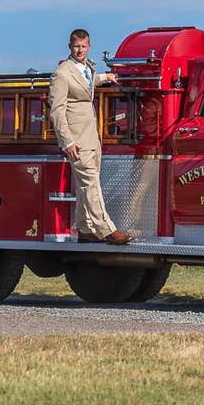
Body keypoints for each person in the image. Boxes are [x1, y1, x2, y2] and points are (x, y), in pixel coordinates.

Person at [49, 29, 132, 245]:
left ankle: (85, 229)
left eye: (84, 46)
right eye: (76, 46)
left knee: (86, 184)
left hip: (91, 137)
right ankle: (107, 230)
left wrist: (106, 77)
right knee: (91, 183)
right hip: (76, 139)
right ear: (70, 46)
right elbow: (56, 111)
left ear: (89, 46)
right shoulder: (61, 73)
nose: (80, 50)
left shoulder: (87, 68)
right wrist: (67, 141)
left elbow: (87, 83)